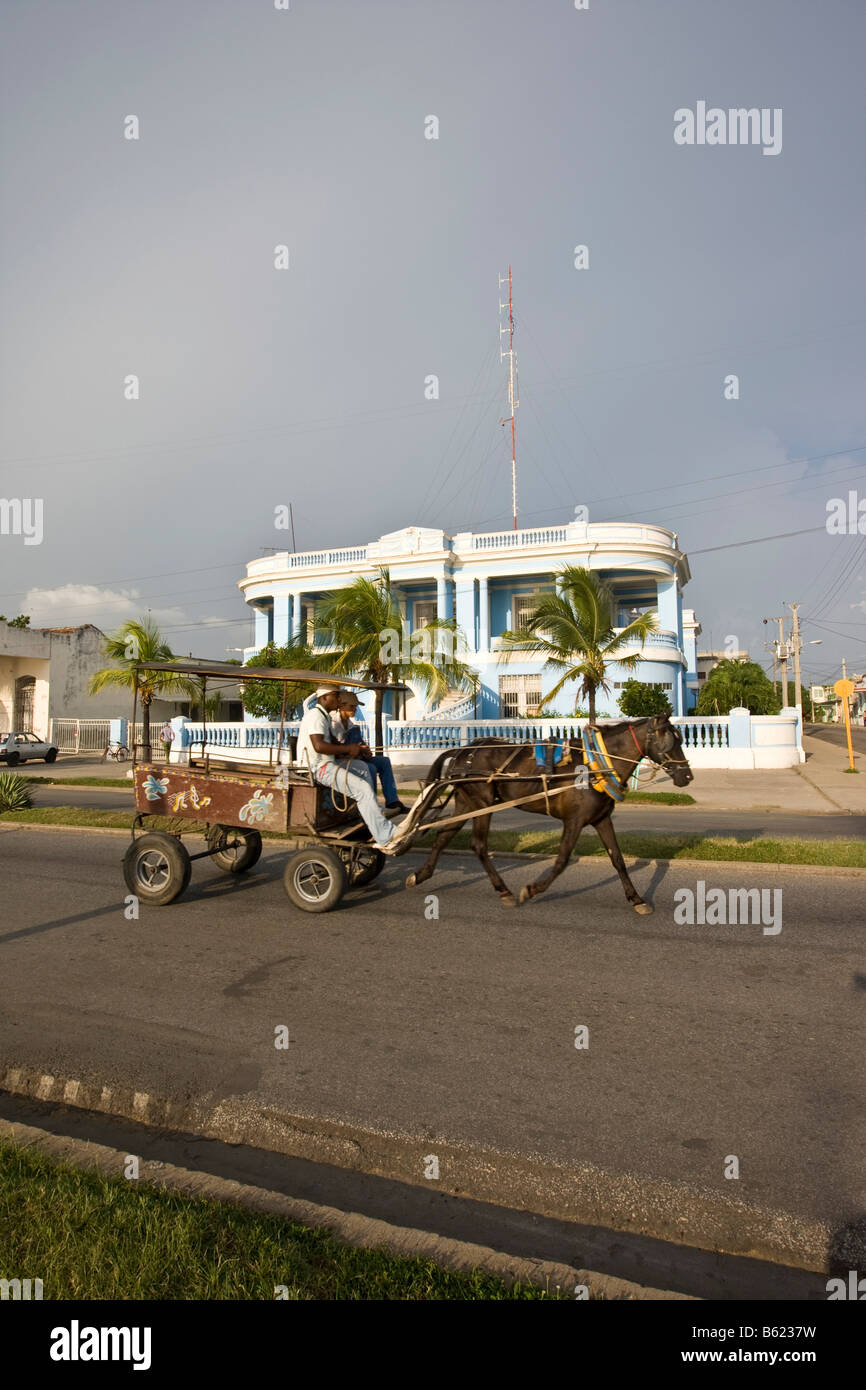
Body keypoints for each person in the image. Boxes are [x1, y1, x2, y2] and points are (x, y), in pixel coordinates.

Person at [295, 687, 410, 854]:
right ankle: (386, 835)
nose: (338, 700)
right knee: (363, 790)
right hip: (318, 768)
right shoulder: (315, 716)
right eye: (336, 696)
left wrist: (356, 749)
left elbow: (335, 743)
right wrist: (349, 749)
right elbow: (319, 746)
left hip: (329, 763)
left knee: (364, 768)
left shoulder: (324, 717)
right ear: (325, 697)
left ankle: (369, 815)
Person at [330, 691, 409, 814]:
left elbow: (359, 744)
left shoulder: (352, 725)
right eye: (352, 706)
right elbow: (336, 749)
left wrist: (365, 751)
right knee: (370, 767)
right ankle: (371, 805)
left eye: (355, 707)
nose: (355, 709)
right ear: (342, 706)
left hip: (356, 757)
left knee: (384, 761)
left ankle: (392, 801)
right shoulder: (333, 725)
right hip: (341, 761)